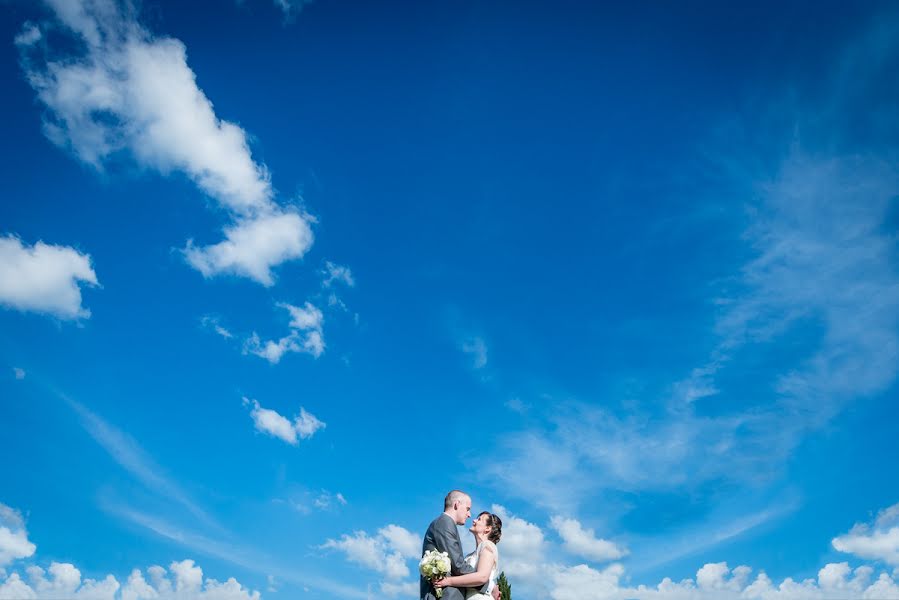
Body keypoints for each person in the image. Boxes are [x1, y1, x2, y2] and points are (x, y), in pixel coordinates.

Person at [434, 511, 502, 600]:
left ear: (487, 529)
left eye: (479, 519)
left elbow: (482, 577)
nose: (474, 520)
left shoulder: (487, 546)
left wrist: (448, 581)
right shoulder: (471, 554)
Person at [421, 490, 475, 600]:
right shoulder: (445, 523)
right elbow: (458, 566)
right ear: (457, 504)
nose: (469, 515)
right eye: (467, 509)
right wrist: (484, 580)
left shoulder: (445, 523)